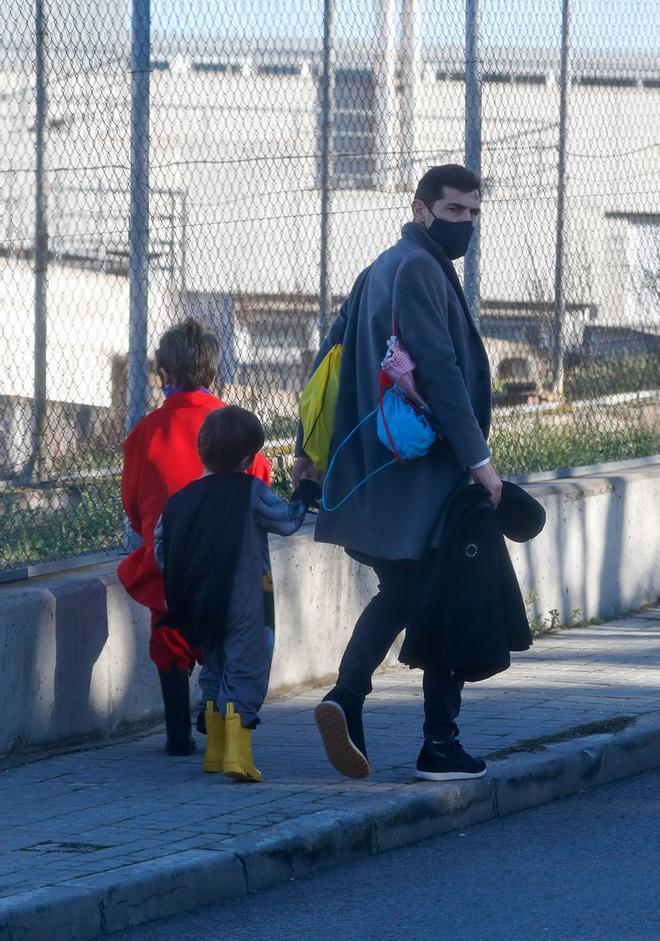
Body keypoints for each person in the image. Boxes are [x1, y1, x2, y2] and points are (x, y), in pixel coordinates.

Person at [293, 164, 501, 782]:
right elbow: (439, 374)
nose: (463, 223)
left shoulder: (379, 268)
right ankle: (439, 744)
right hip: (422, 480)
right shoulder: (419, 272)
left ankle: (347, 698)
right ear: (420, 209)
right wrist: (480, 464)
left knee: (407, 593)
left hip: (369, 480)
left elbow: (325, 365)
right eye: (453, 210)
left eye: (472, 213)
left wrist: (310, 454)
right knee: (450, 597)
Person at [118, 318, 271, 756]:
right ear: (212, 373)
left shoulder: (146, 433)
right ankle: (226, 724)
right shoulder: (234, 427)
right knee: (231, 644)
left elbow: (132, 503)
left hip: (171, 567)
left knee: (169, 635)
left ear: (163, 375)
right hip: (230, 571)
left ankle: (178, 735)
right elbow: (257, 484)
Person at [155, 406, 320, 782]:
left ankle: (214, 749)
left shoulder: (181, 499)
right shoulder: (251, 492)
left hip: (199, 601)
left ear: (202, 450)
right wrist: (306, 491)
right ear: (248, 458)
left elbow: (161, 546)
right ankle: (238, 755)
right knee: (247, 665)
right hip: (246, 596)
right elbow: (287, 521)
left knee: (213, 664)